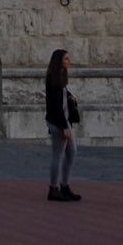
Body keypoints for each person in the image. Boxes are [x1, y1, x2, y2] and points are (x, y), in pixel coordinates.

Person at [44, 47, 81, 201]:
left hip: (65, 120)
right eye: (66, 58)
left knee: (71, 152)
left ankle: (65, 185)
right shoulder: (52, 78)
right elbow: (55, 105)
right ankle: (53, 188)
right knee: (58, 155)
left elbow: (63, 92)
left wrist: (70, 97)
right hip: (58, 122)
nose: (69, 61)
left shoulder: (61, 75)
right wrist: (64, 127)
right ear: (59, 60)